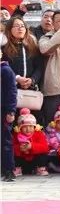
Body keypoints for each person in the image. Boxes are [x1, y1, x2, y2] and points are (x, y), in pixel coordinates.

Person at [2, 17, 44, 97]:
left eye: (22, 26)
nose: (20, 28)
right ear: (9, 29)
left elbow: (39, 66)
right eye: (16, 26)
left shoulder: (32, 45)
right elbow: (2, 67)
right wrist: (17, 78)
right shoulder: (3, 47)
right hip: (8, 89)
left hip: (29, 90)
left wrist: (32, 80)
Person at [11, 108, 49, 176]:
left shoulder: (39, 134)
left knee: (43, 154)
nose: (28, 129)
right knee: (13, 155)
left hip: (34, 160)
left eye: (31, 126)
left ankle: (40, 168)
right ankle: (17, 169)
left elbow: (45, 147)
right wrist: (19, 148)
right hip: (23, 160)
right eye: (25, 127)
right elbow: (11, 147)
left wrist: (32, 146)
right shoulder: (16, 135)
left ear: (34, 127)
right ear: (20, 128)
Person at [1, 48, 16, 181]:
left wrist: (11, 111)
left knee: (5, 140)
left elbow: (12, 92)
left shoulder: (5, 70)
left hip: (3, 110)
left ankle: (9, 170)